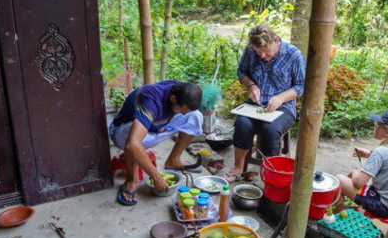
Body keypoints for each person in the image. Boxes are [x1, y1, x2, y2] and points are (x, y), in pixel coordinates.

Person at [223, 25, 306, 182]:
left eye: (265, 51)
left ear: (275, 40)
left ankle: (270, 173)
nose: (261, 55)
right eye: (257, 51)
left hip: (284, 108)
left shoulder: (293, 55)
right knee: (242, 124)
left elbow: (301, 86)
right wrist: (251, 86)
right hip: (255, 105)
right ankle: (238, 167)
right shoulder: (250, 51)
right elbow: (242, 72)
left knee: (271, 129)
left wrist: (281, 97)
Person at [109, 81, 203, 205]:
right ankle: (131, 180)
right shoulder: (150, 99)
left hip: (154, 127)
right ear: (173, 98)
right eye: (181, 110)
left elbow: (188, 111)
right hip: (121, 133)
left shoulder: (182, 89)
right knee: (134, 140)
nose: (183, 114)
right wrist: (156, 176)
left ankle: (174, 160)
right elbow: (132, 145)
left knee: (195, 116)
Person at [335, 109, 388, 220]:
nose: (375, 127)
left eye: (378, 125)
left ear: (387, 131)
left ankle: (337, 220)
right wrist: (369, 154)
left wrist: (355, 172)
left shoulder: (381, 151)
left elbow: (358, 182)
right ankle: (348, 213)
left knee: (340, 180)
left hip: (382, 206)